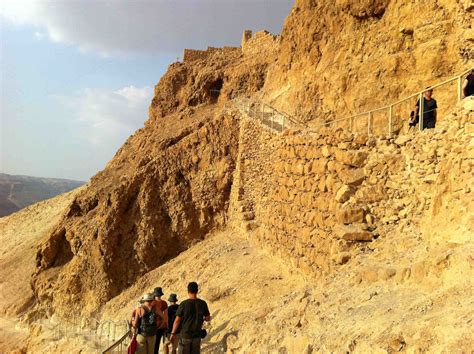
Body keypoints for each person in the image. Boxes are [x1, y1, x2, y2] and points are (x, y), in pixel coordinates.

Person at [170, 282, 211, 354]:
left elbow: (177, 321)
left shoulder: (184, 304)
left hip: (185, 336)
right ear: (197, 291)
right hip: (197, 336)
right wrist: (202, 318)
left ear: (188, 291)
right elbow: (208, 318)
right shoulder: (202, 303)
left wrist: (173, 333)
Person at [153, 287, 169, 354]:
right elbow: (166, 316)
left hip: (152, 326)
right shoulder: (164, 303)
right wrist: (166, 325)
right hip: (161, 326)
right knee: (160, 344)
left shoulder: (152, 303)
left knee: (153, 346)